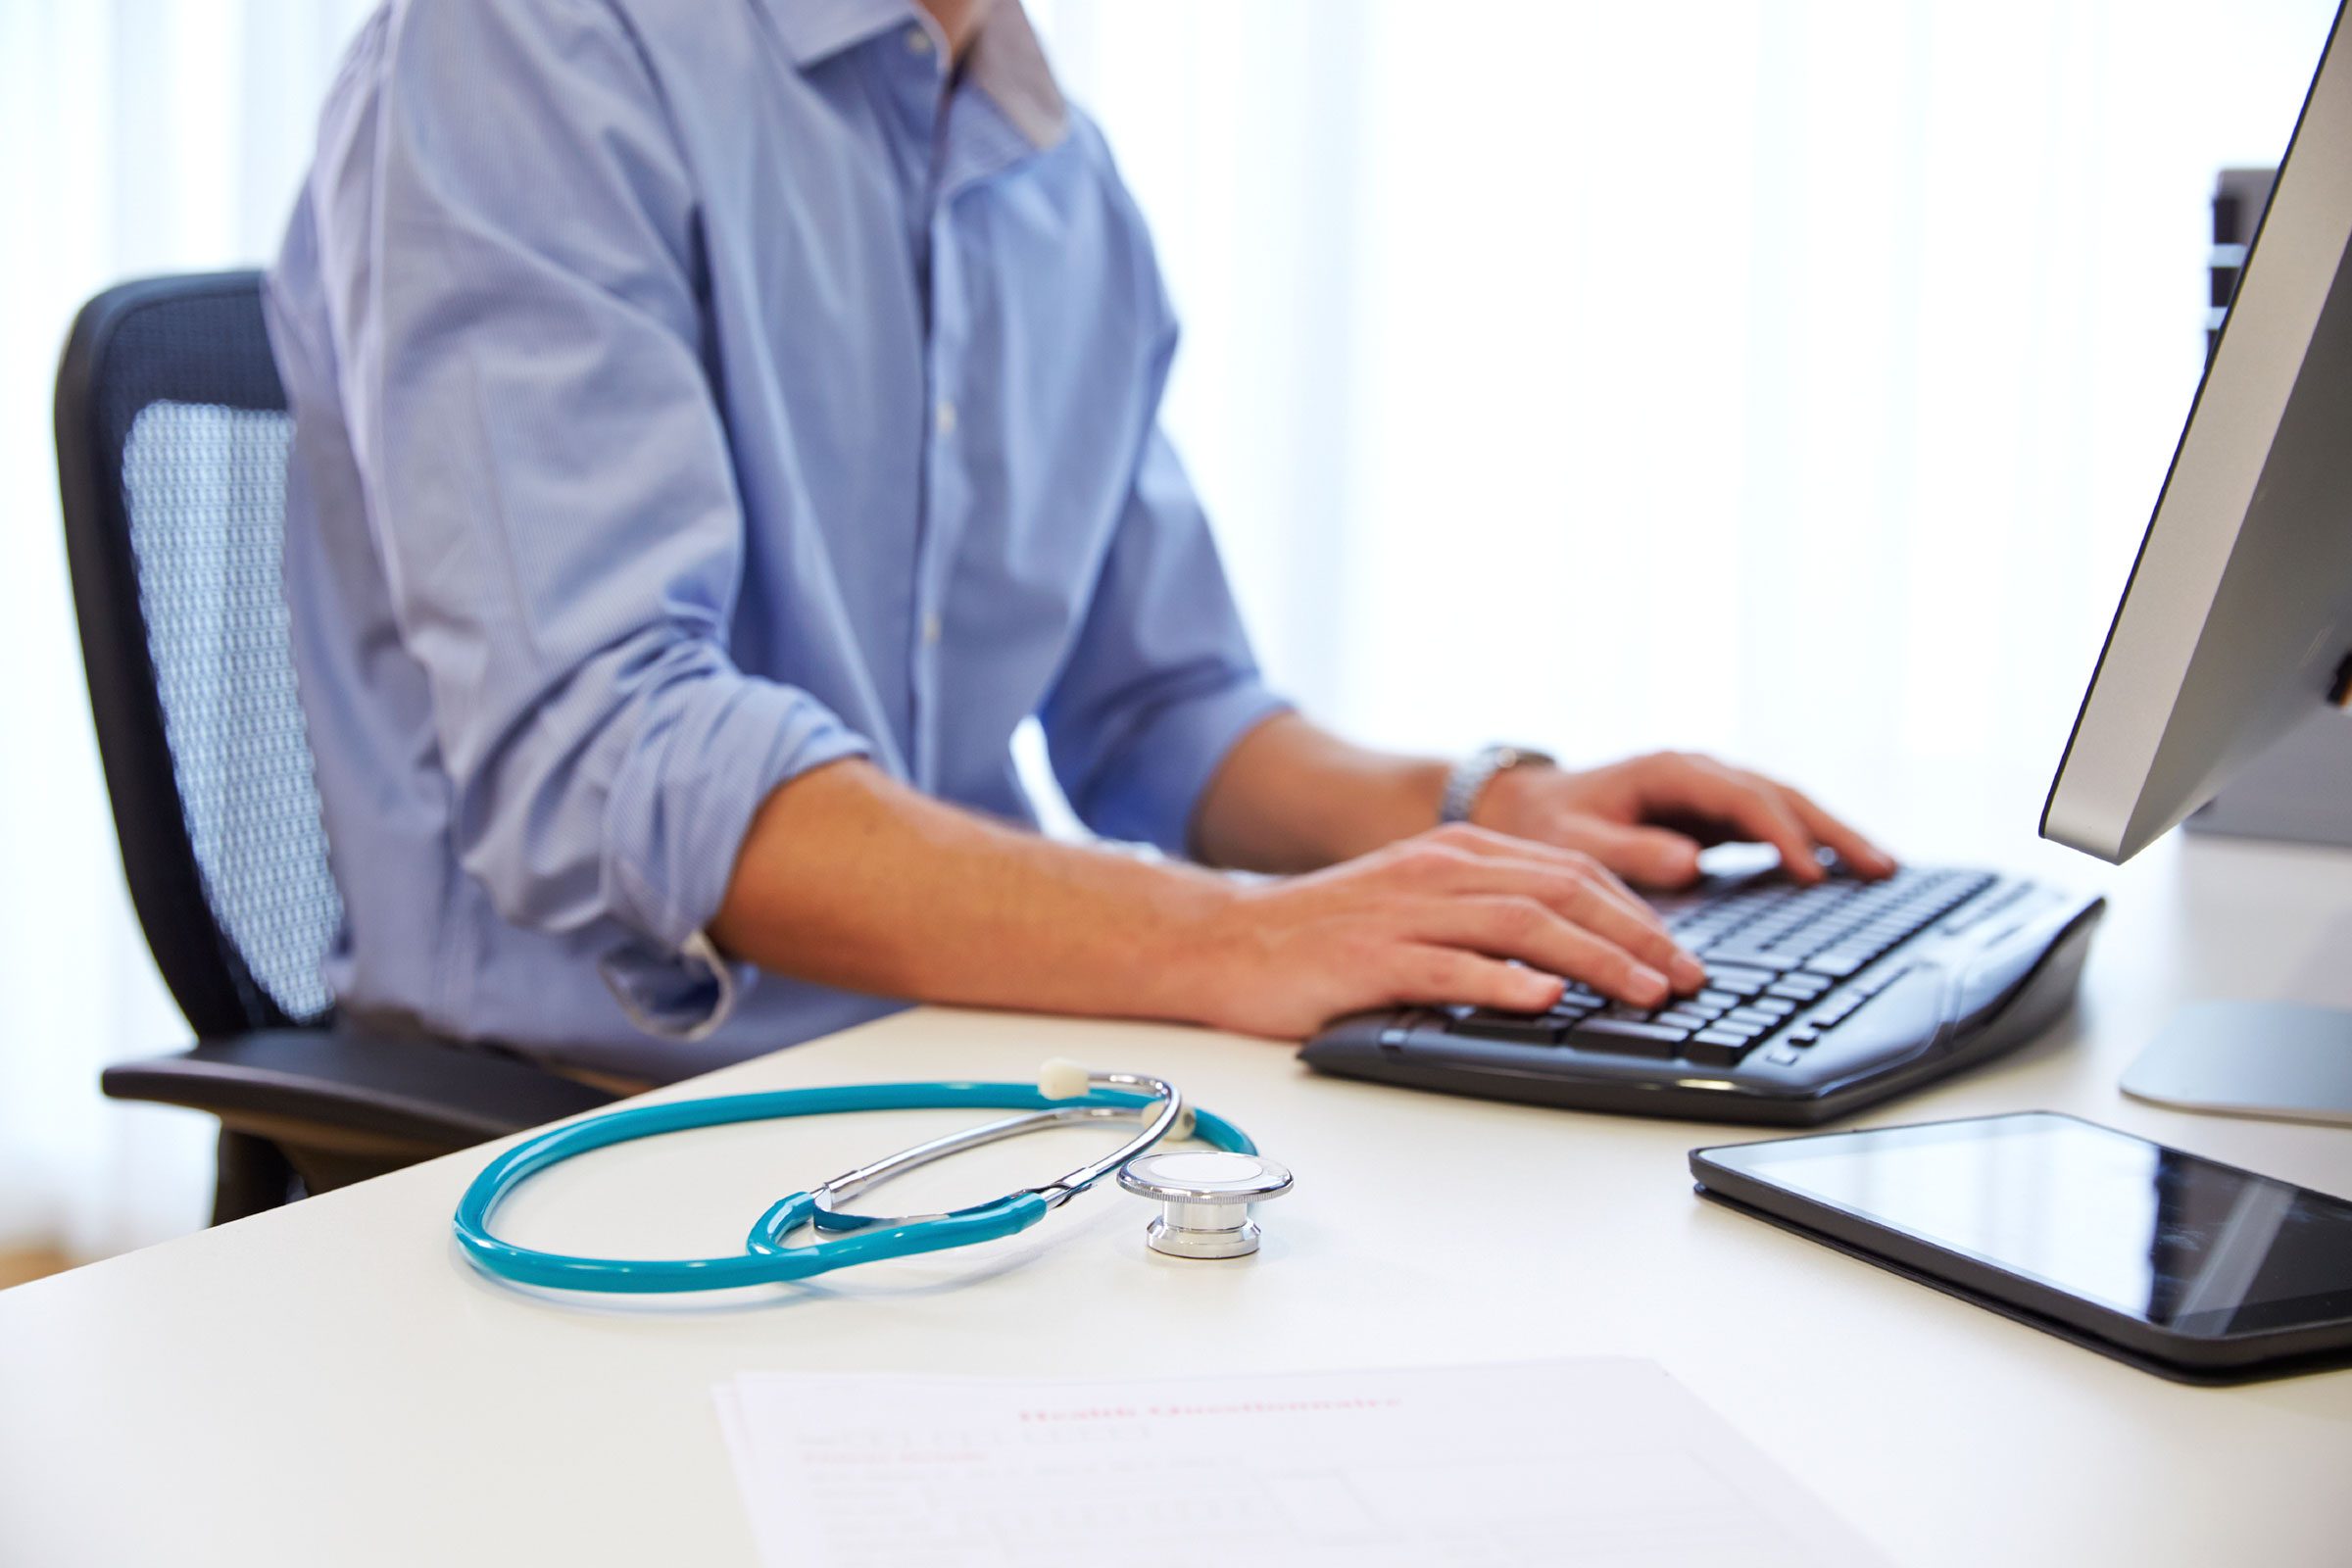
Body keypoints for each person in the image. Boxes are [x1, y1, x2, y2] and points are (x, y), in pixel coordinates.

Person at [265, 0, 1893, 1088]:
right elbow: (616, 753)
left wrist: (1486, 809)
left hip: (959, 1072)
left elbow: (1159, 709)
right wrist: (1239, 941)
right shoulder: (528, 49)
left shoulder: (1053, 176)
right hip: (580, 1119)